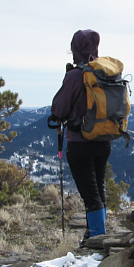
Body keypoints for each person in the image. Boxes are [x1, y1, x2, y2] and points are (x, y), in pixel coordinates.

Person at [51, 29, 111, 241]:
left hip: (80, 141)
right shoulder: (105, 72)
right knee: (98, 188)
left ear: (75, 49)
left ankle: (97, 239)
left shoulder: (76, 76)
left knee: (90, 193)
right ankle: (96, 233)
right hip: (104, 139)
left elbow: (59, 109)